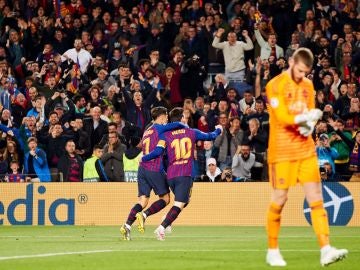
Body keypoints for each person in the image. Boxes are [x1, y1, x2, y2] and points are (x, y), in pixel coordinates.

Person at [265, 47, 347, 267]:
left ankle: (326, 249)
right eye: (299, 71)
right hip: (281, 152)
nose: (302, 76)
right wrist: (305, 120)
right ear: (291, 62)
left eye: (305, 72)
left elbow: (309, 114)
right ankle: (272, 250)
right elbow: (282, 117)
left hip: (305, 150)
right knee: (280, 200)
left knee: (316, 199)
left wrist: (310, 121)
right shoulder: (274, 85)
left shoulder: (308, 85)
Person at [142, 107, 222, 240]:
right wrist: (219, 129)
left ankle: (166, 219)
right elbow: (210, 136)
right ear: (182, 119)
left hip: (171, 174)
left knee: (184, 201)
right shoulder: (191, 132)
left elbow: (160, 153)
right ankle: (162, 227)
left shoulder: (165, 135)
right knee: (180, 203)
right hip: (185, 173)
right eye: (184, 117)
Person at [120, 106, 185, 240]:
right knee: (166, 199)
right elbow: (178, 124)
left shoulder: (147, 131)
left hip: (142, 169)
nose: (167, 118)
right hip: (154, 168)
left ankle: (127, 225)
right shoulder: (160, 127)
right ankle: (144, 215)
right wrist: (183, 125)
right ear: (161, 116)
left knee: (142, 200)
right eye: (166, 116)